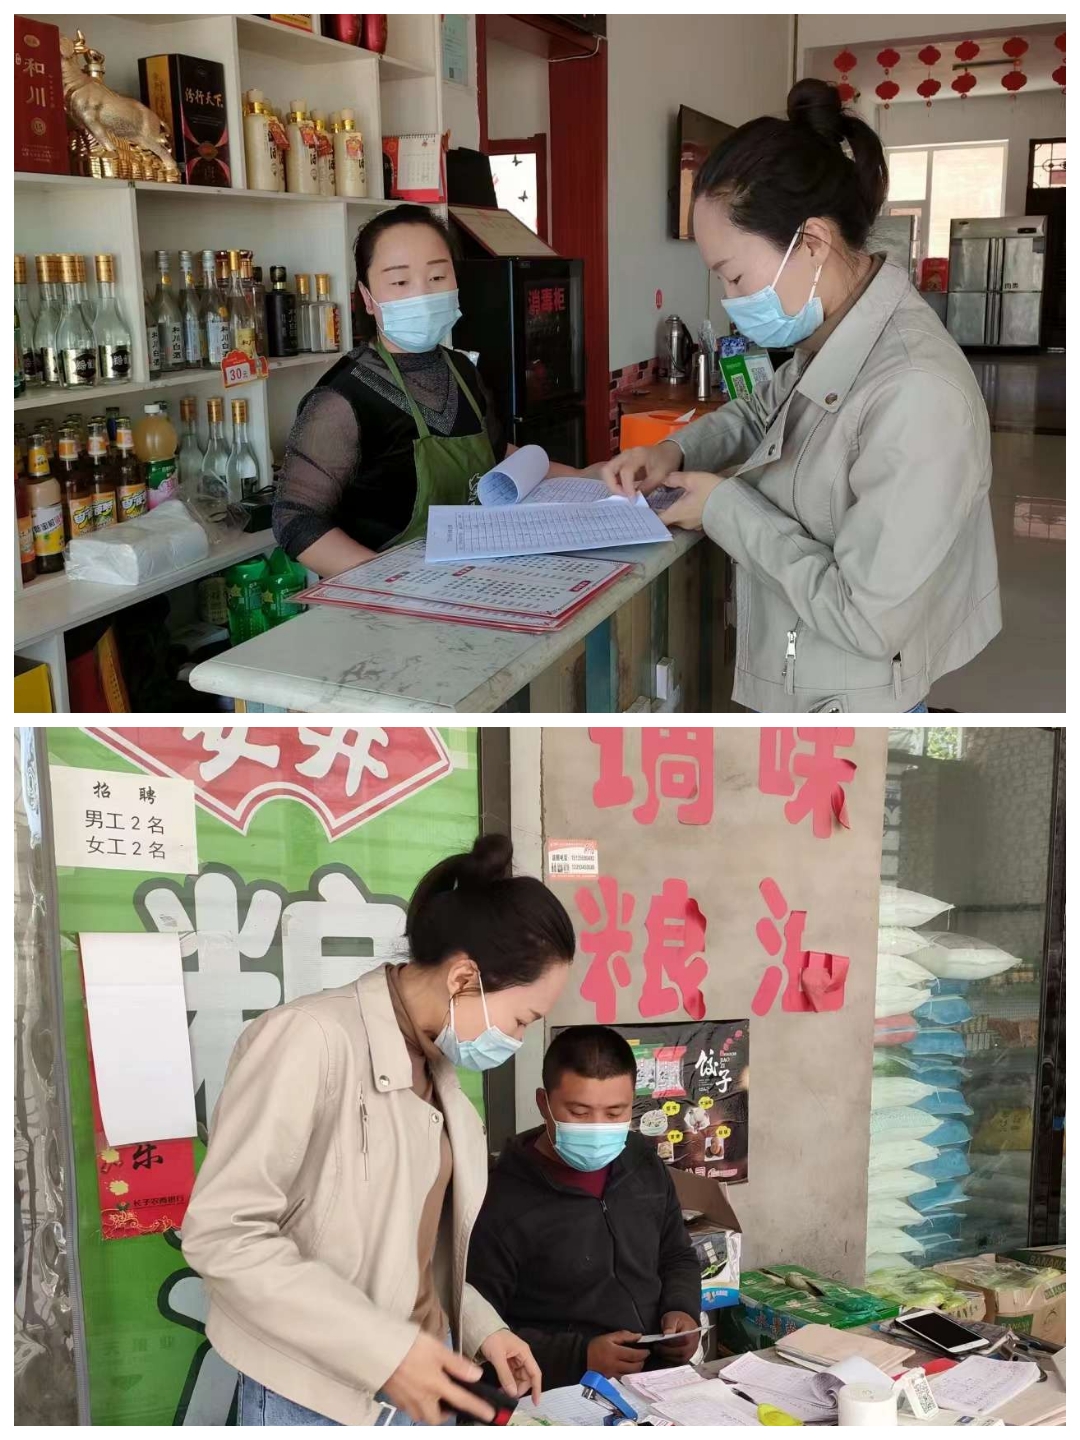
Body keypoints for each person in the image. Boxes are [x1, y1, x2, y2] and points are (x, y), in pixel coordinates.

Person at [601, 79, 1001, 714]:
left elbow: (866, 619)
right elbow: (762, 409)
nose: (732, 301)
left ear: (812, 242)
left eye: (735, 276)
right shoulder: (836, 334)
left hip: (852, 704)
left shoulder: (917, 391)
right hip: (803, 674)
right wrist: (674, 452)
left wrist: (723, 507)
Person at [181, 835, 576, 1426]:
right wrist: (386, 1353)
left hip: (417, 1374)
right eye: (522, 1019)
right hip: (316, 1391)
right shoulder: (309, 1040)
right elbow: (222, 1235)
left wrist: (480, 1327)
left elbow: (403, 1253)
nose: (516, 1041)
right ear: (463, 978)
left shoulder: (436, 1067)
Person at [273, 206, 590, 577]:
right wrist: (391, 583)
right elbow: (295, 517)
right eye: (400, 282)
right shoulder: (341, 399)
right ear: (367, 297)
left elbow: (497, 456)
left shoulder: (463, 371)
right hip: (391, 600)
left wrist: (590, 478)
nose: (422, 294)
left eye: (437, 276)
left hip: (475, 582)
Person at [466, 1025, 702, 1389]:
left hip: (655, 1382)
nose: (597, 1128)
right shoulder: (498, 1198)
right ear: (544, 1103)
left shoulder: (641, 1163)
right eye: (579, 1112)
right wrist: (580, 1356)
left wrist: (681, 1309)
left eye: (615, 1113)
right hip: (558, 1393)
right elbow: (477, 1329)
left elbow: (677, 1255)